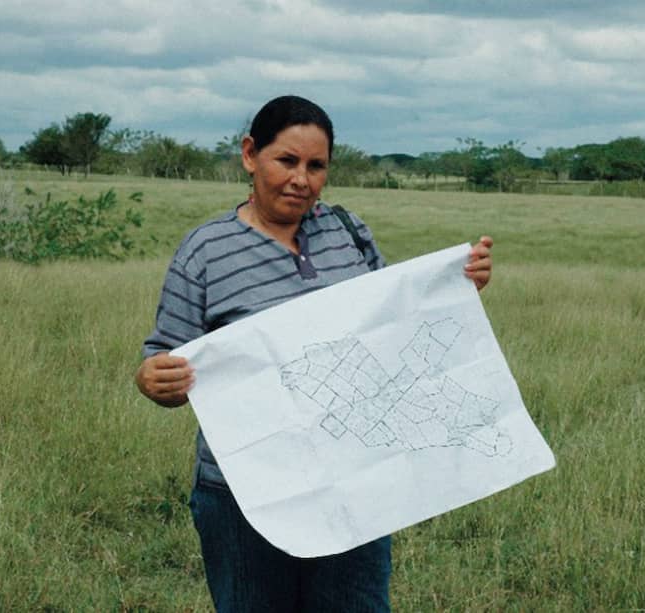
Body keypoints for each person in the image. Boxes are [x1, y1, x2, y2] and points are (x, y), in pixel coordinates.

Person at [136, 95, 493, 612]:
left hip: (352, 479)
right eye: (286, 161)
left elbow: (390, 330)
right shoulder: (205, 251)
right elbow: (162, 358)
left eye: (316, 166)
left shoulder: (348, 232)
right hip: (244, 493)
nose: (301, 179)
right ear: (249, 155)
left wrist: (453, 291)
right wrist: (154, 378)